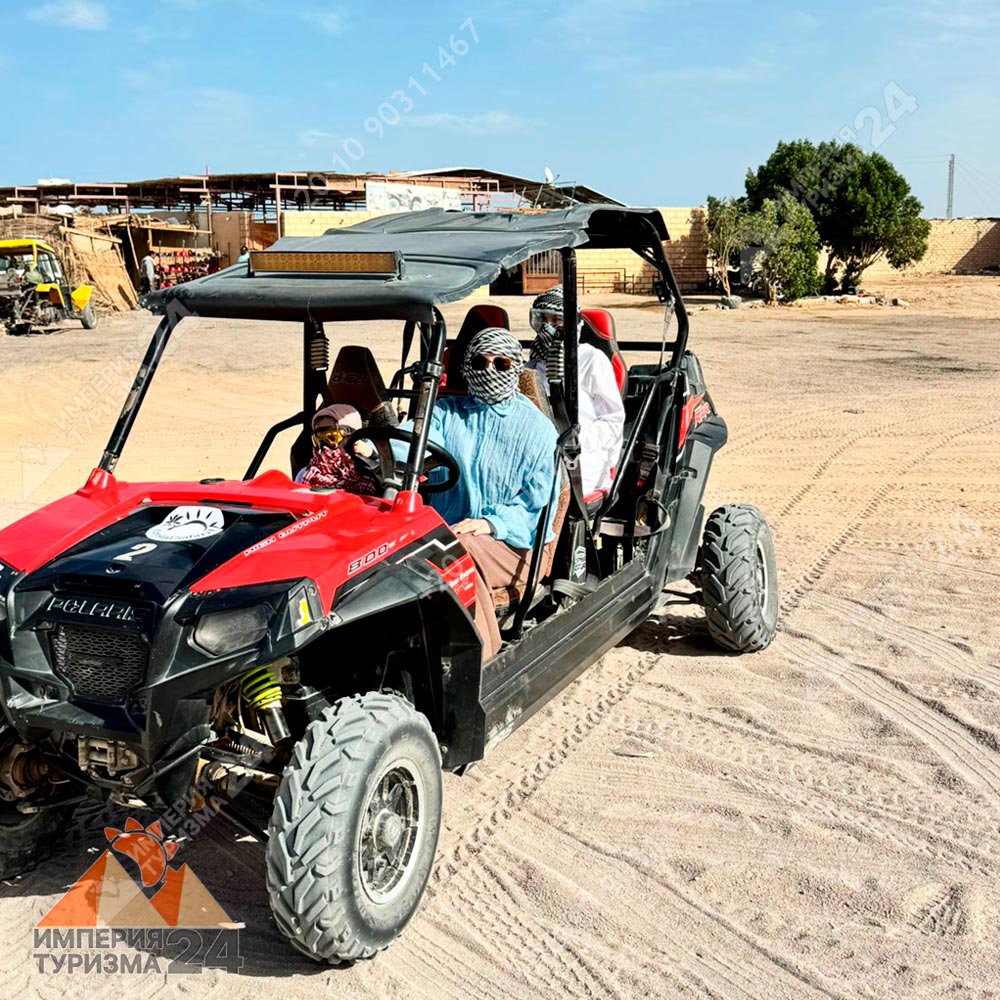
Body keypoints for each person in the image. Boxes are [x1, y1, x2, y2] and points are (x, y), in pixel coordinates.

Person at [415, 328, 558, 660]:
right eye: (480, 362)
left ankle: (480, 660)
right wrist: (373, 448)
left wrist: (492, 524)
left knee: (458, 549)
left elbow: (536, 506)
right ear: (467, 366)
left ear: (515, 367)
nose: (489, 370)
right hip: (444, 533)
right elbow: (413, 439)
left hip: (515, 544)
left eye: (502, 363)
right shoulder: (446, 413)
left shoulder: (537, 430)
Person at [527, 285, 625, 496]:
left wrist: (571, 442)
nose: (548, 328)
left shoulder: (591, 359)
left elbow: (612, 420)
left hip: (579, 457)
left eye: (556, 321)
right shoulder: (533, 362)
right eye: (543, 320)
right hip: (535, 452)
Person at [295, 404, 378, 495]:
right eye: (319, 439)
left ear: (352, 437)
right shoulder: (306, 473)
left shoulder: (370, 472)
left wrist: (373, 458)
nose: (325, 445)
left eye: (332, 437)